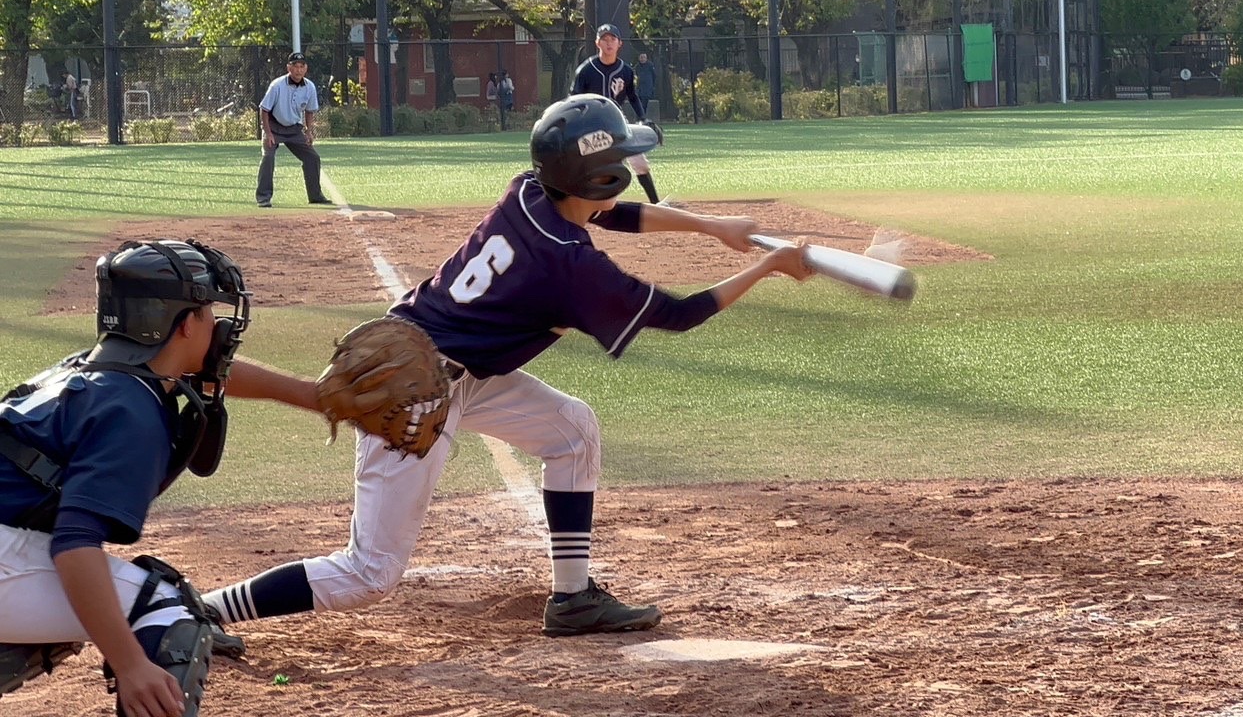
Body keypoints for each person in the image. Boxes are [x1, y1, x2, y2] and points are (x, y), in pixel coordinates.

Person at [202, 95, 815, 639]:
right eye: (621, 161)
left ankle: (573, 599)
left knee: (573, 431)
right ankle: (197, 611)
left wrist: (710, 227)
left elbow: (608, 211)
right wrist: (767, 267)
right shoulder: (571, 269)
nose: (628, 169)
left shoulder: (529, 191)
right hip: (414, 392)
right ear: (597, 175)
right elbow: (680, 314)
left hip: (458, 367)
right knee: (370, 574)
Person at [0, 239, 323, 715]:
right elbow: (74, 545)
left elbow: (213, 376)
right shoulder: (132, 411)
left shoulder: (95, 372)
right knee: (167, 611)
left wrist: (312, 395)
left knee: (98, 605)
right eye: (208, 310)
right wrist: (130, 664)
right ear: (186, 324)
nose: (218, 325)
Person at [574, 25, 661, 203]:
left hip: (617, 122)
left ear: (619, 43)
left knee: (640, 163)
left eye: (612, 39)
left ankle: (656, 203)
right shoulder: (586, 70)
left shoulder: (626, 71)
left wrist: (643, 119)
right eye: (604, 39)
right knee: (590, 167)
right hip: (592, 125)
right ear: (597, 43)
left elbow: (633, 97)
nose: (609, 43)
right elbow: (574, 99)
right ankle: (583, 204)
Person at [256, 52, 332, 208]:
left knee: (312, 158)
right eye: (295, 66)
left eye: (301, 66)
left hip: (294, 129)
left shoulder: (309, 86)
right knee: (268, 157)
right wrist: (268, 133)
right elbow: (264, 109)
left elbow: (310, 111)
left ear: (306, 68)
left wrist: (309, 131)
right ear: (288, 68)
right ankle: (263, 197)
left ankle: (315, 196)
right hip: (274, 126)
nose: (298, 70)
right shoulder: (277, 85)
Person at [633, 53, 658, 118]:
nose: (642, 59)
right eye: (641, 57)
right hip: (639, 88)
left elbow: (654, 76)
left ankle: (642, 117)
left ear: (646, 58)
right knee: (639, 103)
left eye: (644, 57)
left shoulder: (650, 65)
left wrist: (652, 86)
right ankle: (639, 117)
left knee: (644, 103)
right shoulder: (637, 67)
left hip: (647, 88)